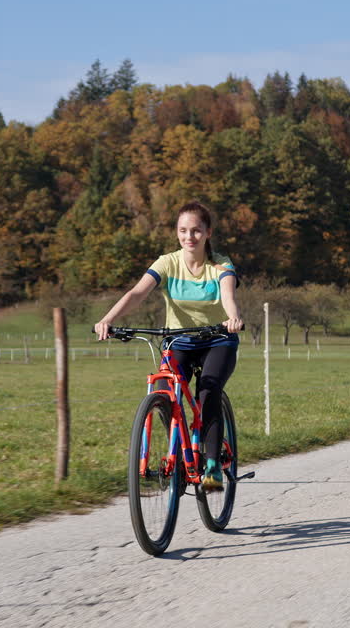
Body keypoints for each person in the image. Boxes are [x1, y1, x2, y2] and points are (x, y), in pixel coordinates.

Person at [94, 200, 243, 491]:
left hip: (218, 339)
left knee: (208, 389)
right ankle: (178, 451)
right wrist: (108, 319)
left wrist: (233, 316)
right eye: (183, 231)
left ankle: (212, 463)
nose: (190, 237)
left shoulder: (220, 264)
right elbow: (137, 293)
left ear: (208, 232)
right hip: (179, 340)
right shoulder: (167, 262)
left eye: (196, 231)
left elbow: (228, 294)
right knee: (164, 392)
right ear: (177, 233)